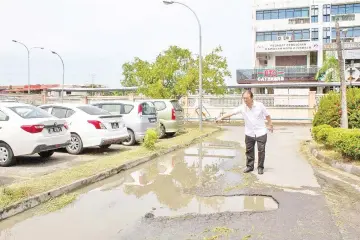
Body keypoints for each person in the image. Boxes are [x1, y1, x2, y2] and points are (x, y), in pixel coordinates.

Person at [215, 90, 273, 175]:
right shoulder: (242, 107)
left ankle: (260, 167)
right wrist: (221, 117)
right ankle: (250, 166)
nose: (245, 100)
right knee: (249, 150)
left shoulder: (260, 106)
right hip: (249, 133)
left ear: (252, 98)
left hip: (261, 132)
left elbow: (267, 115)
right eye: (244, 98)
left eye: (247, 98)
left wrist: (270, 125)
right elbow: (232, 112)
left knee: (261, 150)